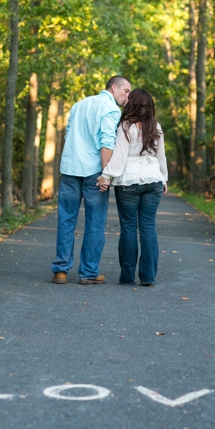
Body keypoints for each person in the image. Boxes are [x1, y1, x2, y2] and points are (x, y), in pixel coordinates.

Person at [51, 75, 131, 285]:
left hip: (69, 168)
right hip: (93, 173)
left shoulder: (79, 104)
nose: (127, 96)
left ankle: (60, 271)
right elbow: (106, 143)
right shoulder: (111, 109)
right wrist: (106, 174)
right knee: (95, 222)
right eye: (126, 91)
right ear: (114, 88)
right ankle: (88, 272)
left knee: (66, 219)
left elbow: (68, 136)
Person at [96, 89, 168, 287]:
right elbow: (161, 156)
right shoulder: (156, 127)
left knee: (128, 227)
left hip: (128, 181)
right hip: (153, 180)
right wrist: (164, 179)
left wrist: (106, 176)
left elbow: (119, 155)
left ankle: (127, 277)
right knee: (148, 227)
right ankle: (148, 277)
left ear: (131, 105)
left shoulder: (125, 127)